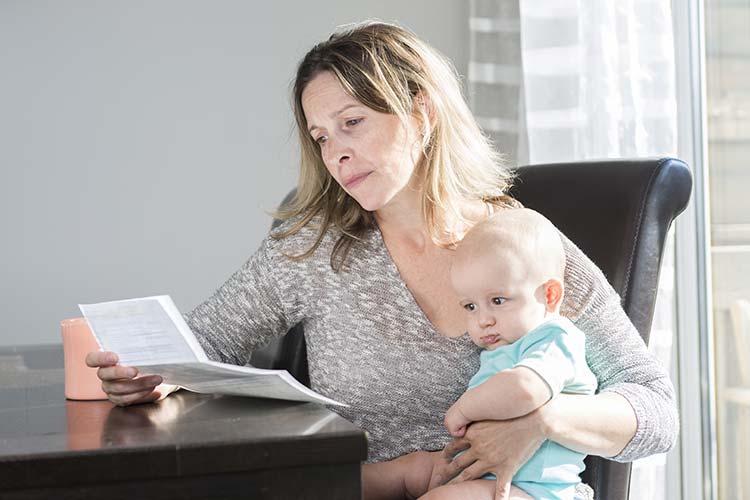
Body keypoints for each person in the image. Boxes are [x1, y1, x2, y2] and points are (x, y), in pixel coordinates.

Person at [86, 21, 678, 500]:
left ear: (420, 114)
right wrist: (150, 374)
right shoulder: (314, 247)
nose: (336, 153)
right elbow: (205, 340)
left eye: (352, 124)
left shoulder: (523, 246)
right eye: (321, 137)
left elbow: (655, 410)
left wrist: (543, 419)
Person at [363, 208, 597, 500]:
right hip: (479, 473)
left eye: (497, 300)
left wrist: (464, 408)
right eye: (470, 307)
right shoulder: (503, 345)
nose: (482, 320)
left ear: (549, 295)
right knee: (402, 471)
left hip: (532, 492)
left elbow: (524, 390)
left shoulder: (554, 338)